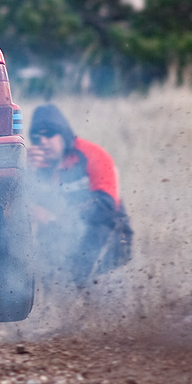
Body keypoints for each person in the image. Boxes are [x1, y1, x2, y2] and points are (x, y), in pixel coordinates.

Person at [25, 103, 133, 286]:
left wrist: (55, 218)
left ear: (64, 135)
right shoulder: (36, 165)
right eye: (36, 138)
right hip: (62, 234)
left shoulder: (94, 155)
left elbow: (106, 207)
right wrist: (25, 173)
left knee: (92, 237)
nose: (42, 142)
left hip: (108, 234)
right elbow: (22, 206)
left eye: (49, 134)